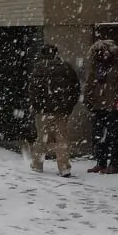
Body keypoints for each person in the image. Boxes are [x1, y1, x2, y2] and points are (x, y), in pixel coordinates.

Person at [27, 44, 81, 177]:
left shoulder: (39, 68)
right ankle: (64, 166)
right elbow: (75, 88)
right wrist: (68, 106)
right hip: (61, 110)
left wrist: (36, 106)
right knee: (62, 138)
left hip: (43, 110)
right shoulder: (66, 67)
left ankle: (37, 164)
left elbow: (33, 90)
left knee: (42, 138)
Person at [84, 39, 118, 174]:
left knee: (114, 135)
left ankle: (114, 164)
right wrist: (88, 99)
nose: (102, 55)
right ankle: (101, 162)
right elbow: (90, 83)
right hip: (98, 105)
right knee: (100, 135)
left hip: (113, 106)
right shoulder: (96, 66)